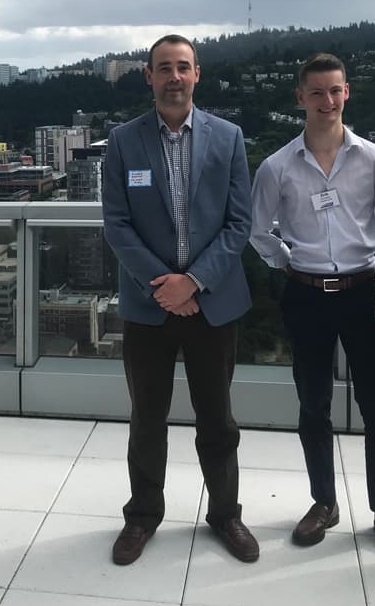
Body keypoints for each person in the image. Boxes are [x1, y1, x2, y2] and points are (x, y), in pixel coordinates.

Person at [250, 53, 375, 561]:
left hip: (367, 293)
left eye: (335, 91)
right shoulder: (277, 166)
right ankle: (323, 502)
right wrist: (291, 264)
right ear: (300, 97)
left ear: (348, 93)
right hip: (306, 294)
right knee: (312, 404)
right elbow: (259, 233)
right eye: (317, 92)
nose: (327, 101)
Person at [102, 33, 258, 566]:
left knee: (218, 418)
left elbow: (240, 224)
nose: (174, 77)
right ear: (148, 76)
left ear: (197, 74)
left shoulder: (229, 137)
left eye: (183, 67)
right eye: (163, 67)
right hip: (149, 308)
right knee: (148, 417)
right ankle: (142, 515)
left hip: (212, 304)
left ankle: (226, 514)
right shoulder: (123, 142)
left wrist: (193, 283)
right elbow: (118, 227)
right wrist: (163, 286)